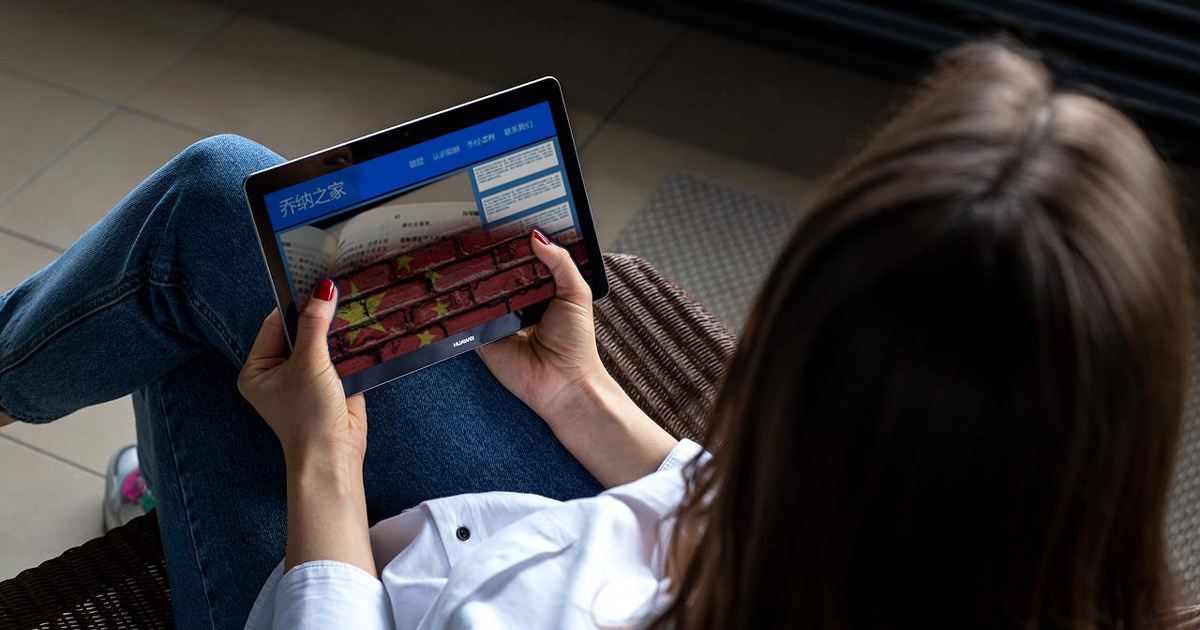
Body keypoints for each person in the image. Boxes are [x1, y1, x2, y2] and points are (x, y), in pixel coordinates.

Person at [0, 38, 1190, 629]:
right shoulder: (998, 561)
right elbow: (767, 522)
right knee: (254, 228)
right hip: (554, 547)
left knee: (225, 257)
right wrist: (580, 398)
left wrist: (321, 468)